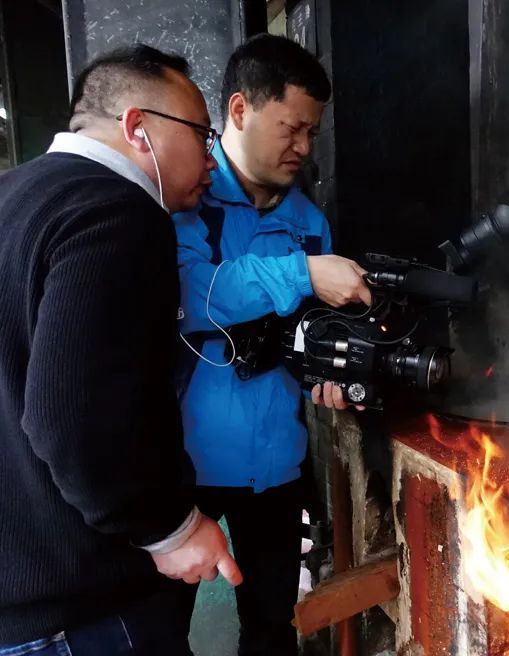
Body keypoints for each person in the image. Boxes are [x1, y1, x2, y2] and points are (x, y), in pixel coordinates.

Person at [0, 45, 240, 656]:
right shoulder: (117, 211)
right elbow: (72, 417)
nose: (212, 155)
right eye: (201, 132)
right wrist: (172, 531)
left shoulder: (12, 195)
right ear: (138, 127)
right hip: (79, 613)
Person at [172, 34, 370, 655]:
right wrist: (303, 273)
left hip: (276, 466)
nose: (304, 148)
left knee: (271, 627)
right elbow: (192, 294)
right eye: (292, 128)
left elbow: (309, 334)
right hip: (182, 470)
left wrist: (326, 377)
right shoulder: (186, 201)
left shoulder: (309, 222)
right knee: (158, 628)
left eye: (313, 132)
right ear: (239, 110)